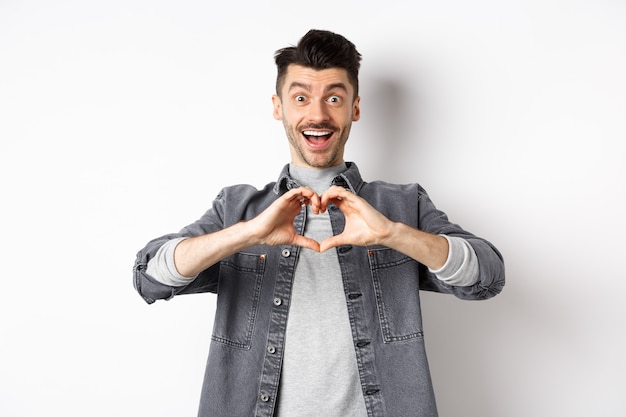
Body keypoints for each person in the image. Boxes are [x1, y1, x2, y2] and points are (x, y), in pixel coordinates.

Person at [133, 29, 505, 417]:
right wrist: (249, 233)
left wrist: (392, 234)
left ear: (354, 109)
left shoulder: (400, 204)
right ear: (278, 107)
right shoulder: (238, 208)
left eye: (333, 98)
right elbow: (150, 277)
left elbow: (487, 276)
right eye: (300, 98)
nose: (318, 115)